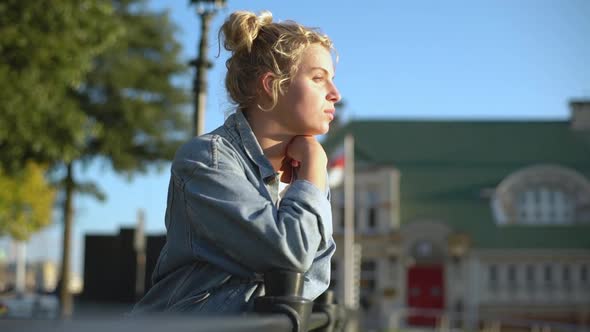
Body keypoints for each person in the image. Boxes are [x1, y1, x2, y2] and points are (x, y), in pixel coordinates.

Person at [132, 9, 341, 314]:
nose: (334, 94)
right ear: (271, 85)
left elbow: (314, 279)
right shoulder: (206, 159)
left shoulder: (302, 175)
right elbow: (290, 256)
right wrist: (314, 170)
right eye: (318, 79)